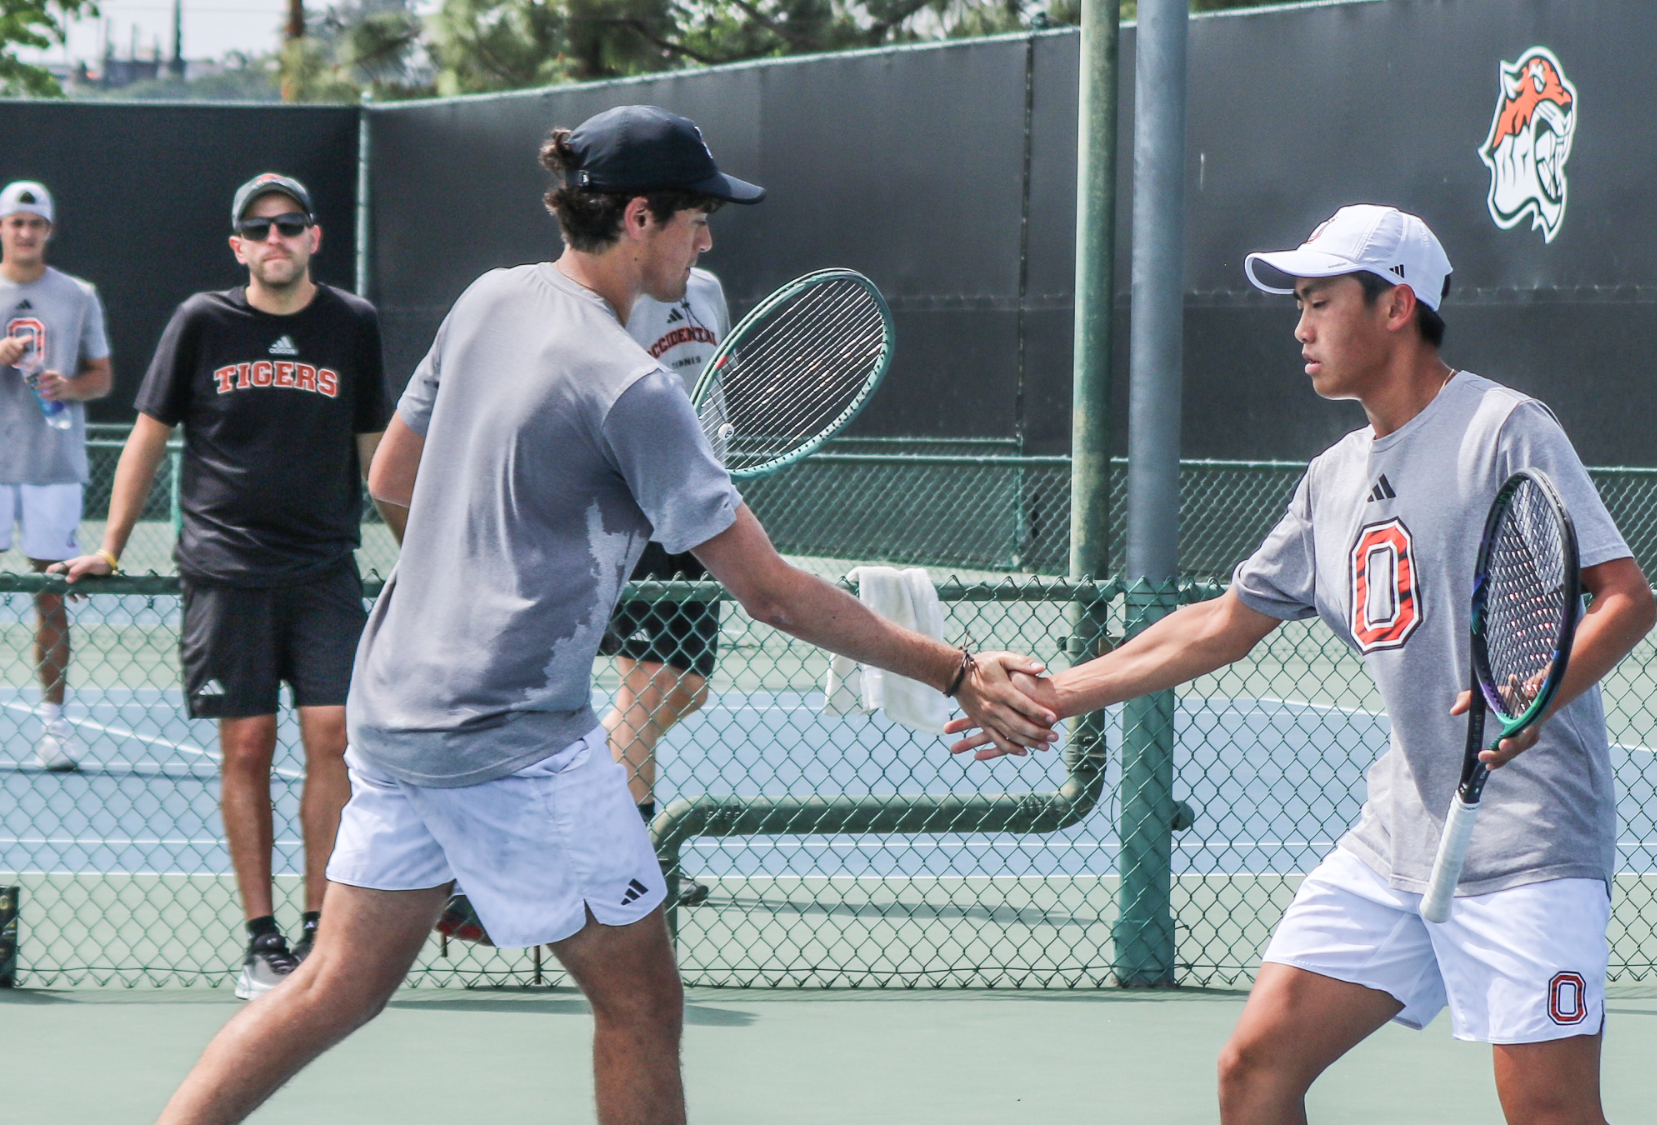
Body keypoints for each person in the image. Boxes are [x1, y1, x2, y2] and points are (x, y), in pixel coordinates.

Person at [146, 105, 1055, 1125]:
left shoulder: (489, 298)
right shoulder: (633, 391)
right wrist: (952, 668)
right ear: (637, 217)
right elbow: (768, 591)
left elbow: (394, 475)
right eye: (696, 218)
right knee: (639, 996)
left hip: (394, 707)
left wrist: (501, 566)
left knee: (335, 984)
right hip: (510, 738)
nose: (707, 238)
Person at [953, 205, 1657, 1125]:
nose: (1300, 327)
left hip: (1529, 847)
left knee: (1551, 1115)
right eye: (1299, 305)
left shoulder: (1504, 428)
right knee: (1254, 1070)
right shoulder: (1331, 478)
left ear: (1397, 306)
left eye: (1319, 302)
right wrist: (1058, 693)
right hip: (1396, 840)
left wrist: (1534, 703)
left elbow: (1627, 598)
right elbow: (1221, 623)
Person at [54, 173, 396, 1001]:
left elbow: (376, 445)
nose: (276, 240)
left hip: (322, 569)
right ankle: (261, 939)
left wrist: (418, 548)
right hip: (224, 571)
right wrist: (110, 544)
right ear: (238, 246)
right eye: (260, 229)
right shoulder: (202, 322)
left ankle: (322, 930)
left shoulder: (351, 324)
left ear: (314, 237)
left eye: (291, 225)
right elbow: (147, 436)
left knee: (334, 736)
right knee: (246, 747)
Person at [605, 265, 732, 852]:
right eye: (692, 217)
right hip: (635, 508)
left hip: (704, 504)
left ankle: (580, 773)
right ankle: (636, 857)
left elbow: (712, 389)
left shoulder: (707, 290)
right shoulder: (613, 295)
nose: (702, 234)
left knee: (689, 688)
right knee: (648, 685)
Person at [0, 181, 112, 771]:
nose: (25, 232)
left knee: (49, 595)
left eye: (34, 223)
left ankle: (55, 728)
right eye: (15, 222)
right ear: (1, 228)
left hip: (51, 468)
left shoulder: (77, 295)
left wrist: (70, 387)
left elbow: (102, 375)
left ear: (48, 230)